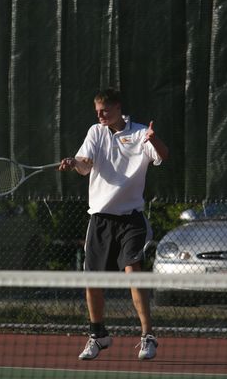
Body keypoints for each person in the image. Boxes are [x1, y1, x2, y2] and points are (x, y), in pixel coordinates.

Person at [59, 88, 168, 361]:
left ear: (118, 107)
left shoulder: (142, 133)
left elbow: (162, 157)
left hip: (131, 218)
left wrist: (155, 141)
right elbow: (86, 164)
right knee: (93, 280)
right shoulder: (95, 131)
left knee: (134, 272)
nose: (100, 115)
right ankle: (98, 335)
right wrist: (75, 163)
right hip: (100, 218)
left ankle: (147, 336)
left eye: (105, 110)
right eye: (97, 111)